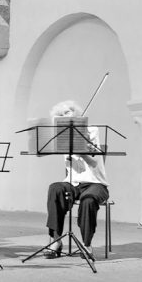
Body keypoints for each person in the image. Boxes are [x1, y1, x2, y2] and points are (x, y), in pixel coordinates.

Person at [44, 101, 109, 259]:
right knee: (55, 188)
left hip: (96, 183)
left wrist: (82, 150)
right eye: (63, 115)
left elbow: (93, 162)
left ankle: (86, 245)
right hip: (73, 183)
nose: (68, 116)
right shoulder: (62, 135)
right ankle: (56, 240)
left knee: (88, 200)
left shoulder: (91, 130)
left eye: (70, 112)